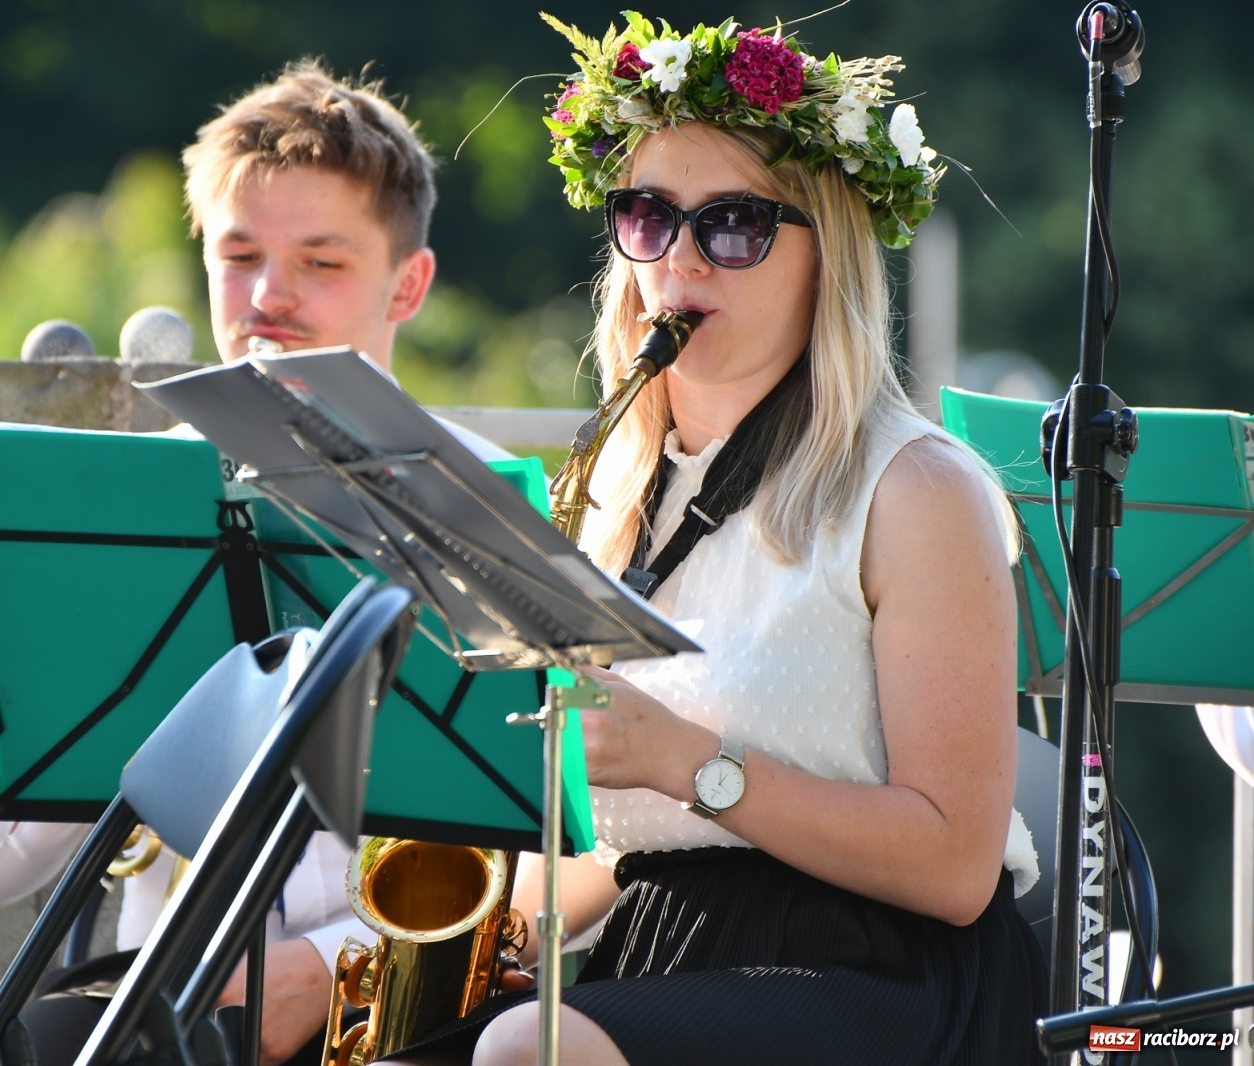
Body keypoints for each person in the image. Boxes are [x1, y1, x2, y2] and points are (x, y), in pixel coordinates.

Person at [381, 13, 1044, 1066]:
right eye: (647, 217)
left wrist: (687, 762)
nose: (681, 259)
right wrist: (498, 919)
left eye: (732, 225)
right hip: (659, 944)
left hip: (882, 973)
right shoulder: (613, 481)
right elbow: (649, 850)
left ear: (826, 252)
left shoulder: (919, 489)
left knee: (522, 1055)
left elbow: (957, 865)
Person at [0, 59, 506, 1065]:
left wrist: (332, 963)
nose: (267, 297)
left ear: (407, 285)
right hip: (171, 979)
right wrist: (60, 677)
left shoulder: (490, 513)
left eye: (321, 264)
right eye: (239, 254)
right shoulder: (121, 513)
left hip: (415, 989)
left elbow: (548, 860)